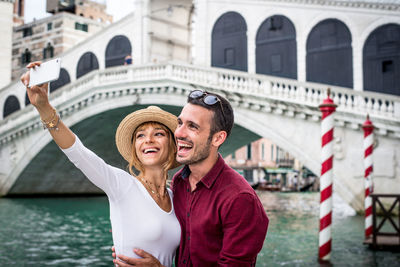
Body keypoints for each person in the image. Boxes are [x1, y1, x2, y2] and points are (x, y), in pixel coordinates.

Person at [21, 62, 181, 267]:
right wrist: (44, 108)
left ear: (172, 145)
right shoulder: (122, 185)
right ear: (135, 149)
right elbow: (78, 153)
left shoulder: (176, 197)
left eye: (158, 134)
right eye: (140, 135)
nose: (148, 140)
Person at [114, 90, 269, 266]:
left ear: (218, 138)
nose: (179, 133)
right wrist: (132, 236)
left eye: (192, 126)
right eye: (180, 123)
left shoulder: (240, 199)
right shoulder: (180, 182)